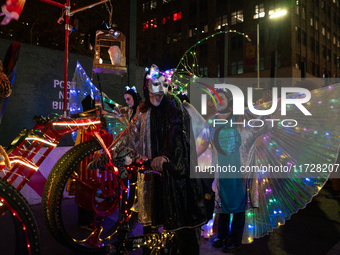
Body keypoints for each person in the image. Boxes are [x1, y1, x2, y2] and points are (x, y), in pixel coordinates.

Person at [88, 64, 206, 255]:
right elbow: (129, 135)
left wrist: (166, 156)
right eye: (152, 94)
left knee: (182, 226)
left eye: (160, 94)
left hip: (174, 176)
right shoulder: (142, 112)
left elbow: (177, 133)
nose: (157, 98)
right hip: (150, 177)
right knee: (150, 227)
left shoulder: (175, 106)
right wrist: (107, 153)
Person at [197, 89, 245, 252]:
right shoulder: (212, 121)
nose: (218, 100)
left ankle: (235, 238)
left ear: (229, 101)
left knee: (238, 204)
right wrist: (190, 157)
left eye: (221, 97)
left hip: (239, 168)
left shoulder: (239, 118)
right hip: (220, 168)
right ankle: (222, 235)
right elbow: (204, 143)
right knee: (222, 202)